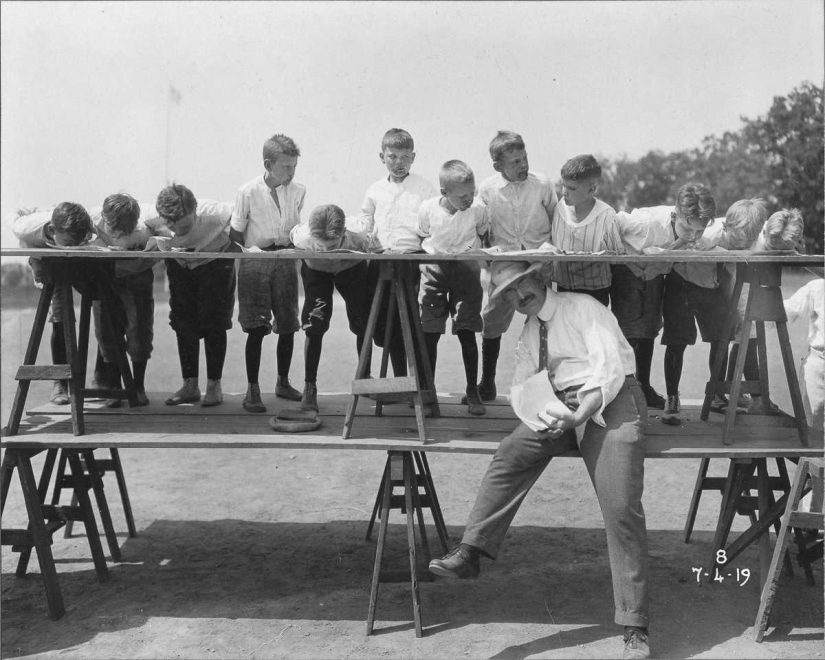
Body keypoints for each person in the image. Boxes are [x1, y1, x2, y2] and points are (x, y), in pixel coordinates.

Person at [428, 260, 651, 660]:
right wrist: (541, 417)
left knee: (620, 506)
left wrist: (580, 415)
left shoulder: (583, 308)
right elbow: (521, 387)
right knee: (511, 452)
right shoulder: (531, 331)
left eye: (521, 284)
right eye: (508, 294)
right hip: (560, 410)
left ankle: (635, 626)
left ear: (542, 277)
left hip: (611, 400)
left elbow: (611, 369)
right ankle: (470, 552)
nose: (517, 296)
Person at [613, 182, 716, 419]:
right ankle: (625, 395)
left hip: (655, 271)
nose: (693, 236)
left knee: (649, 330)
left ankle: (644, 388)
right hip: (629, 271)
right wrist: (628, 261)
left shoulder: (694, 225)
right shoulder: (647, 222)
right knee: (629, 332)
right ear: (675, 213)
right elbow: (612, 223)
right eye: (688, 229)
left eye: (699, 231)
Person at [476, 130, 558, 401]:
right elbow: (482, 228)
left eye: (524, 159)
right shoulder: (487, 189)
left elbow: (556, 218)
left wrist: (549, 251)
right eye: (514, 162)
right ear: (498, 166)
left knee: (544, 317)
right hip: (506, 261)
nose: (523, 165)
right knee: (493, 318)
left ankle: (546, 381)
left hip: (539, 256)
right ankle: (487, 381)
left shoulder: (543, 184)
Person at [349, 128, 437, 380]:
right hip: (380, 262)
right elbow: (365, 222)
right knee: (380, 322)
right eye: (392, 157)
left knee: (410, 322)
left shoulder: (424, 188)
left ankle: (413, 383)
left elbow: (433, 224)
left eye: (404, 157)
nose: (398, 163)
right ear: (382, 157)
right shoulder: (375, 189)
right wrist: (369, 242)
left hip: (411, 262)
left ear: (413, 157)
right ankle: (380, 380)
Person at [229, 134, 305, 414]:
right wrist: (251, 254)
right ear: (268, 163)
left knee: (288, 323)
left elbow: (295, 229)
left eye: (294, 166)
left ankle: (283, 383)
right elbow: (235, 233)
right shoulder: (247, 191)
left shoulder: (298, 190)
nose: (291, 172)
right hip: (255, 262)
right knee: (257, 326)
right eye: (286, 166)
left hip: (285, 260)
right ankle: (252, 389)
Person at [145, 184, 237, 407]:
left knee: (214, 322)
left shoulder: (218, 212)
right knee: (182, 322)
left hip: (215, 260)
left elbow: (248, 211)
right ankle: (190, 385)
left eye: (186, 225)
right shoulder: (150, 219)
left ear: (195, 212)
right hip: (180, 263)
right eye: (175, 227)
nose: (180, 231)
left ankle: (214, 386)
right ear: (163, 219)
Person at [416, 160, 490, 416]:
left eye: (472, 192)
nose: (469, 199)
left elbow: (483, 232)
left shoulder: (478, 210)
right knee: (430, 332)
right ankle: (428, 392)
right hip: (435, 269)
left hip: (466, 269)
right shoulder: (428, 209)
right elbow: (423, 233)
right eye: (462, 195)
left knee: (467, 330)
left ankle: (472, 390)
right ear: (444, 192)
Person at [12, 202, 99, 405]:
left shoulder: (89, 227)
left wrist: (76, 245)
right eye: (69, 241)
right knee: (60, 313)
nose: (72, 245)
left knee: (102, 298)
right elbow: (14, 215)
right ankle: (60, 382)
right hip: (44, 255)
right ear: (52, 231)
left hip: (74, 257)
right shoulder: (26, 228)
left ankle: (104, 379)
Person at [290, 204, 372, 412]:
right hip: (317, 271)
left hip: (351, 268)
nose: (327, 250)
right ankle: (310, 386)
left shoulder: (360, 234)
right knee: (314, 325)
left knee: (363, 322)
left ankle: (364, 378)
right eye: (322, 246)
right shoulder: (302, 237)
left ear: (344, 232)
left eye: (332, 245)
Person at [89, 193, 156, 407]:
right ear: (103, 216)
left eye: (124, 230)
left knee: (139, 331)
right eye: (113, 227)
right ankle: (115, 388)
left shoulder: (143, 230)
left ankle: (138, 386)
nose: (117, 234)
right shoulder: (91, 223)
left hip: (136, 278)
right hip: (104, 278)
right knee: (105, 331)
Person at [548, 154, 624, 306]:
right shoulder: (559, 209)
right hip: (563, 291)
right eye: (564, 186)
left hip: (595, 293)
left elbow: (618, 260)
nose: (564, 192)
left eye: (572, 188)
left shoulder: (606, 215)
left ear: (592, 189)